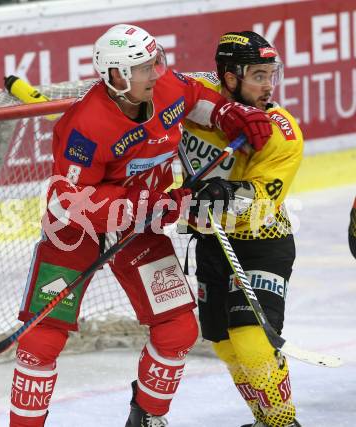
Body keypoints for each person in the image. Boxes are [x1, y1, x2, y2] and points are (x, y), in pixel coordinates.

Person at [9, 24, 272, 427]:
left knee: (178, 329)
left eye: (155, 61)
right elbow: (72, 202)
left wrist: (233, 113)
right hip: (76, 229)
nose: (156, 72)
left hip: (141, 223)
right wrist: (156, 204)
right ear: (115, 75)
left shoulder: (164, 87)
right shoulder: (86, 126)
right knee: (41, 340)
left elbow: (198, 100)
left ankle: (146, 417)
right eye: (143, 67)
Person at [182, 31, 303, 427]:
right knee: (224, 345)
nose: (269, 86)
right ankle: (264, 420)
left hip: (261, 242)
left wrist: (226, 191)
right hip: (212, 243)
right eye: (258, 75)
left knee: (251, 343)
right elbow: (128, 109)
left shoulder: (279, 131)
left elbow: (262, 202)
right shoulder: (196, 95)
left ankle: (285, 422)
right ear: (229, 78)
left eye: (272, 75)